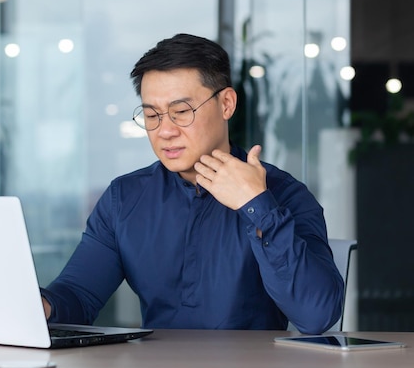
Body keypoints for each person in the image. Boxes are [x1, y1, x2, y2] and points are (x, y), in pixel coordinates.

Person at [40, 33, 344, 334]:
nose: (165, 131)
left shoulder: (283, 194)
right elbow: (78, 297)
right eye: (151, 115)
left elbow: (316, 315)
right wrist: (41, 306)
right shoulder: (125, 198)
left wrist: (256, 205)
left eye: (181, 112)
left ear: (226, 103)